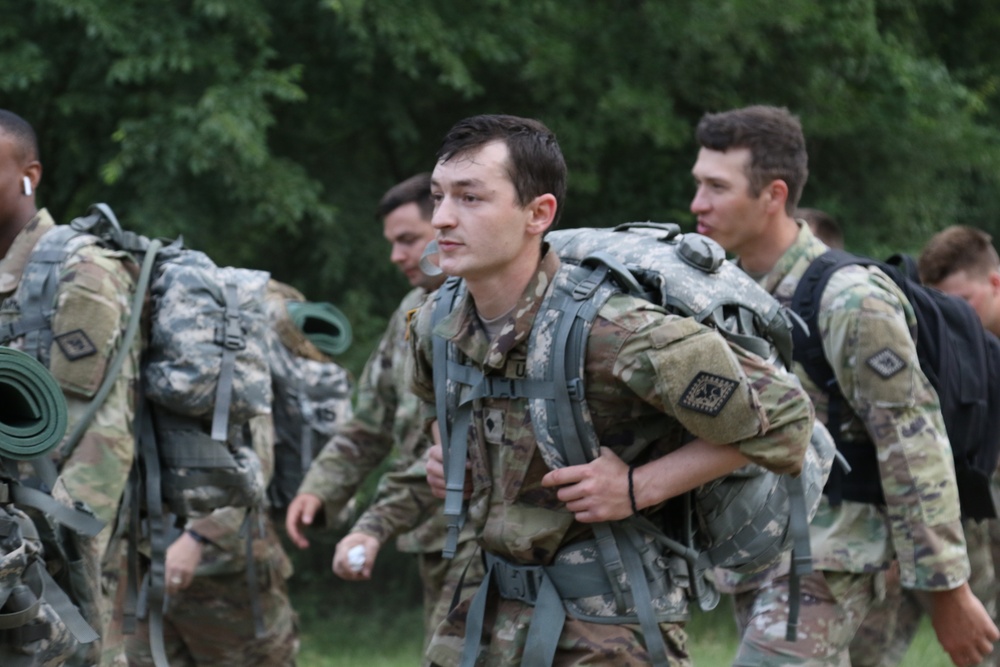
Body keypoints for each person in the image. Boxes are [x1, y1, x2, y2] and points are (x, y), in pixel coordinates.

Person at [411, 113, 814, 666]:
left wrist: (638, 487)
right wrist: (448, 450)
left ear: (538, 214)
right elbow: (430, 397)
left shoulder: (617, 334)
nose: (442, 219)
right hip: (484, 614)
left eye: (470, 198)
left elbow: (788, 422)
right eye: (438, 197)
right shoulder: (438, 321)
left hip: (609, 626)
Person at [689, 104, 999, 667]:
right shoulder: (722, 294)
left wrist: (948, 588)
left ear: (773, 195)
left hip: (833, 554)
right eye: (697, 184)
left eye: (716, 186)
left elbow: (913, 442)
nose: (698, 204)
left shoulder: (851, 298)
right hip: (755, 554)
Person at [285, 172, 482, 645]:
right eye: (392, 243)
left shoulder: (489, 309)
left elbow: (470, 448)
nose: (396, 256)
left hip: (487, 534)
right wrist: (320, 488)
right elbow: (369, 423)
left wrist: (375, 525)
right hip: (432, 537)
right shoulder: (411, 314)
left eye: (408, 240)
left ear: (444, 225)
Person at [0, 109, 138, 665]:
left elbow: (89, 427)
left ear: (28, 175)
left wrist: (58, 545)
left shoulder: (79, 268)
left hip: (56, 524)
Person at [849, 225, 1000, 666]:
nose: (951, 315)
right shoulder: (945, 348)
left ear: (994, 282)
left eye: (962, 302)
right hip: (940, 525)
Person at [123, 413, 300, 667]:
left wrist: (199, 535)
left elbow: (257, 473)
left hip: (228, 577)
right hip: (146, 570)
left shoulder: (237, 376)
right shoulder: (134, 376)